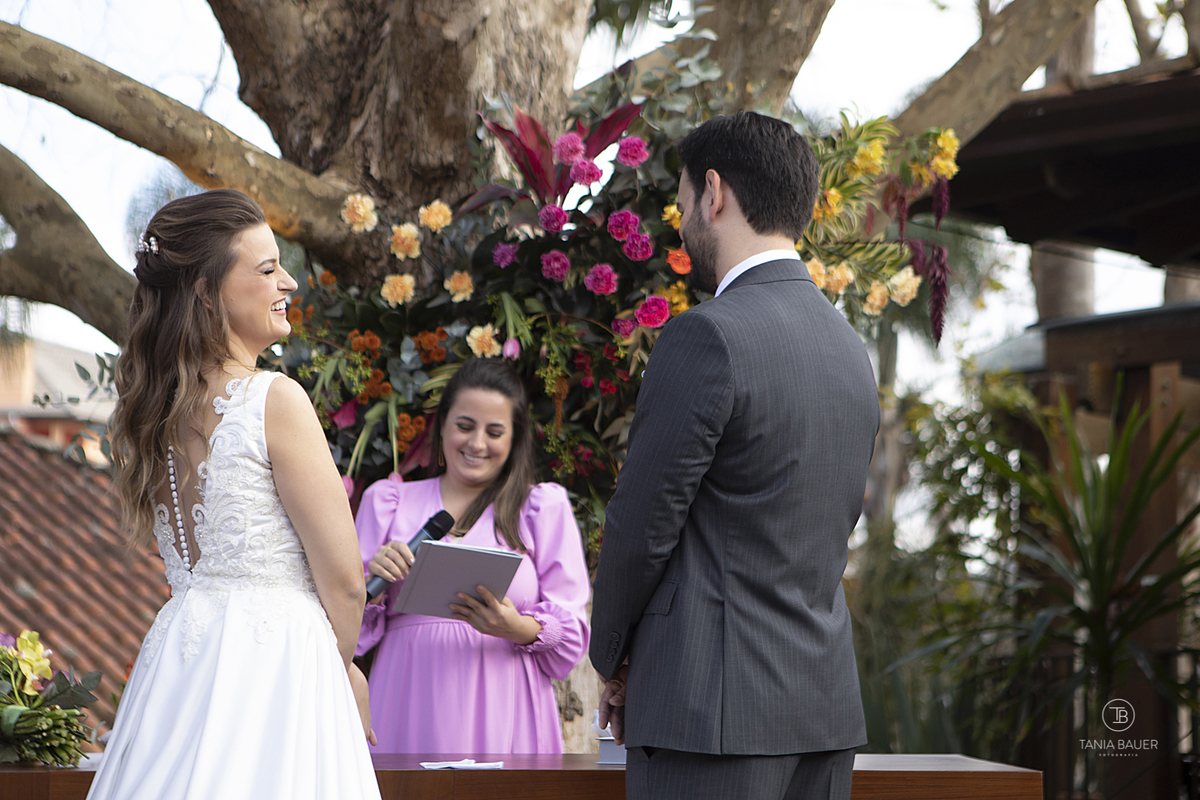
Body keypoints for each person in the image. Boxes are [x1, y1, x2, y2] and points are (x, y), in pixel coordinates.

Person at [589, 112, 879, 800]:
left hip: (708, 711)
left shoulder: (707, 337)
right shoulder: (849, 351)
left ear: (714, 192)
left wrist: (613, 656)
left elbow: (641, 526)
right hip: (820, 709)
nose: (683, 215)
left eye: (684, 198)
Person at [90, 190, 380, 800]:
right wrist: (341, 670)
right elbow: (347, 583)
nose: (291, 283)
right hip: (279, 669)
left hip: (178, 663)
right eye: (268, 268)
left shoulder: (152, 415)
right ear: (205, 290)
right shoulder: (275, 399)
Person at [354, 357, 590, 753]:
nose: (477, 443)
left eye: (494, 431)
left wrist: (516, 627)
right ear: (442, 425)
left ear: (514, 439)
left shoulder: (540, 508)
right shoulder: (388, 502)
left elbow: (572, 634)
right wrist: (374, 587)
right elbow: (343, 631)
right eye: (465, 426)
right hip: (409, 697)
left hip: (508, 700)